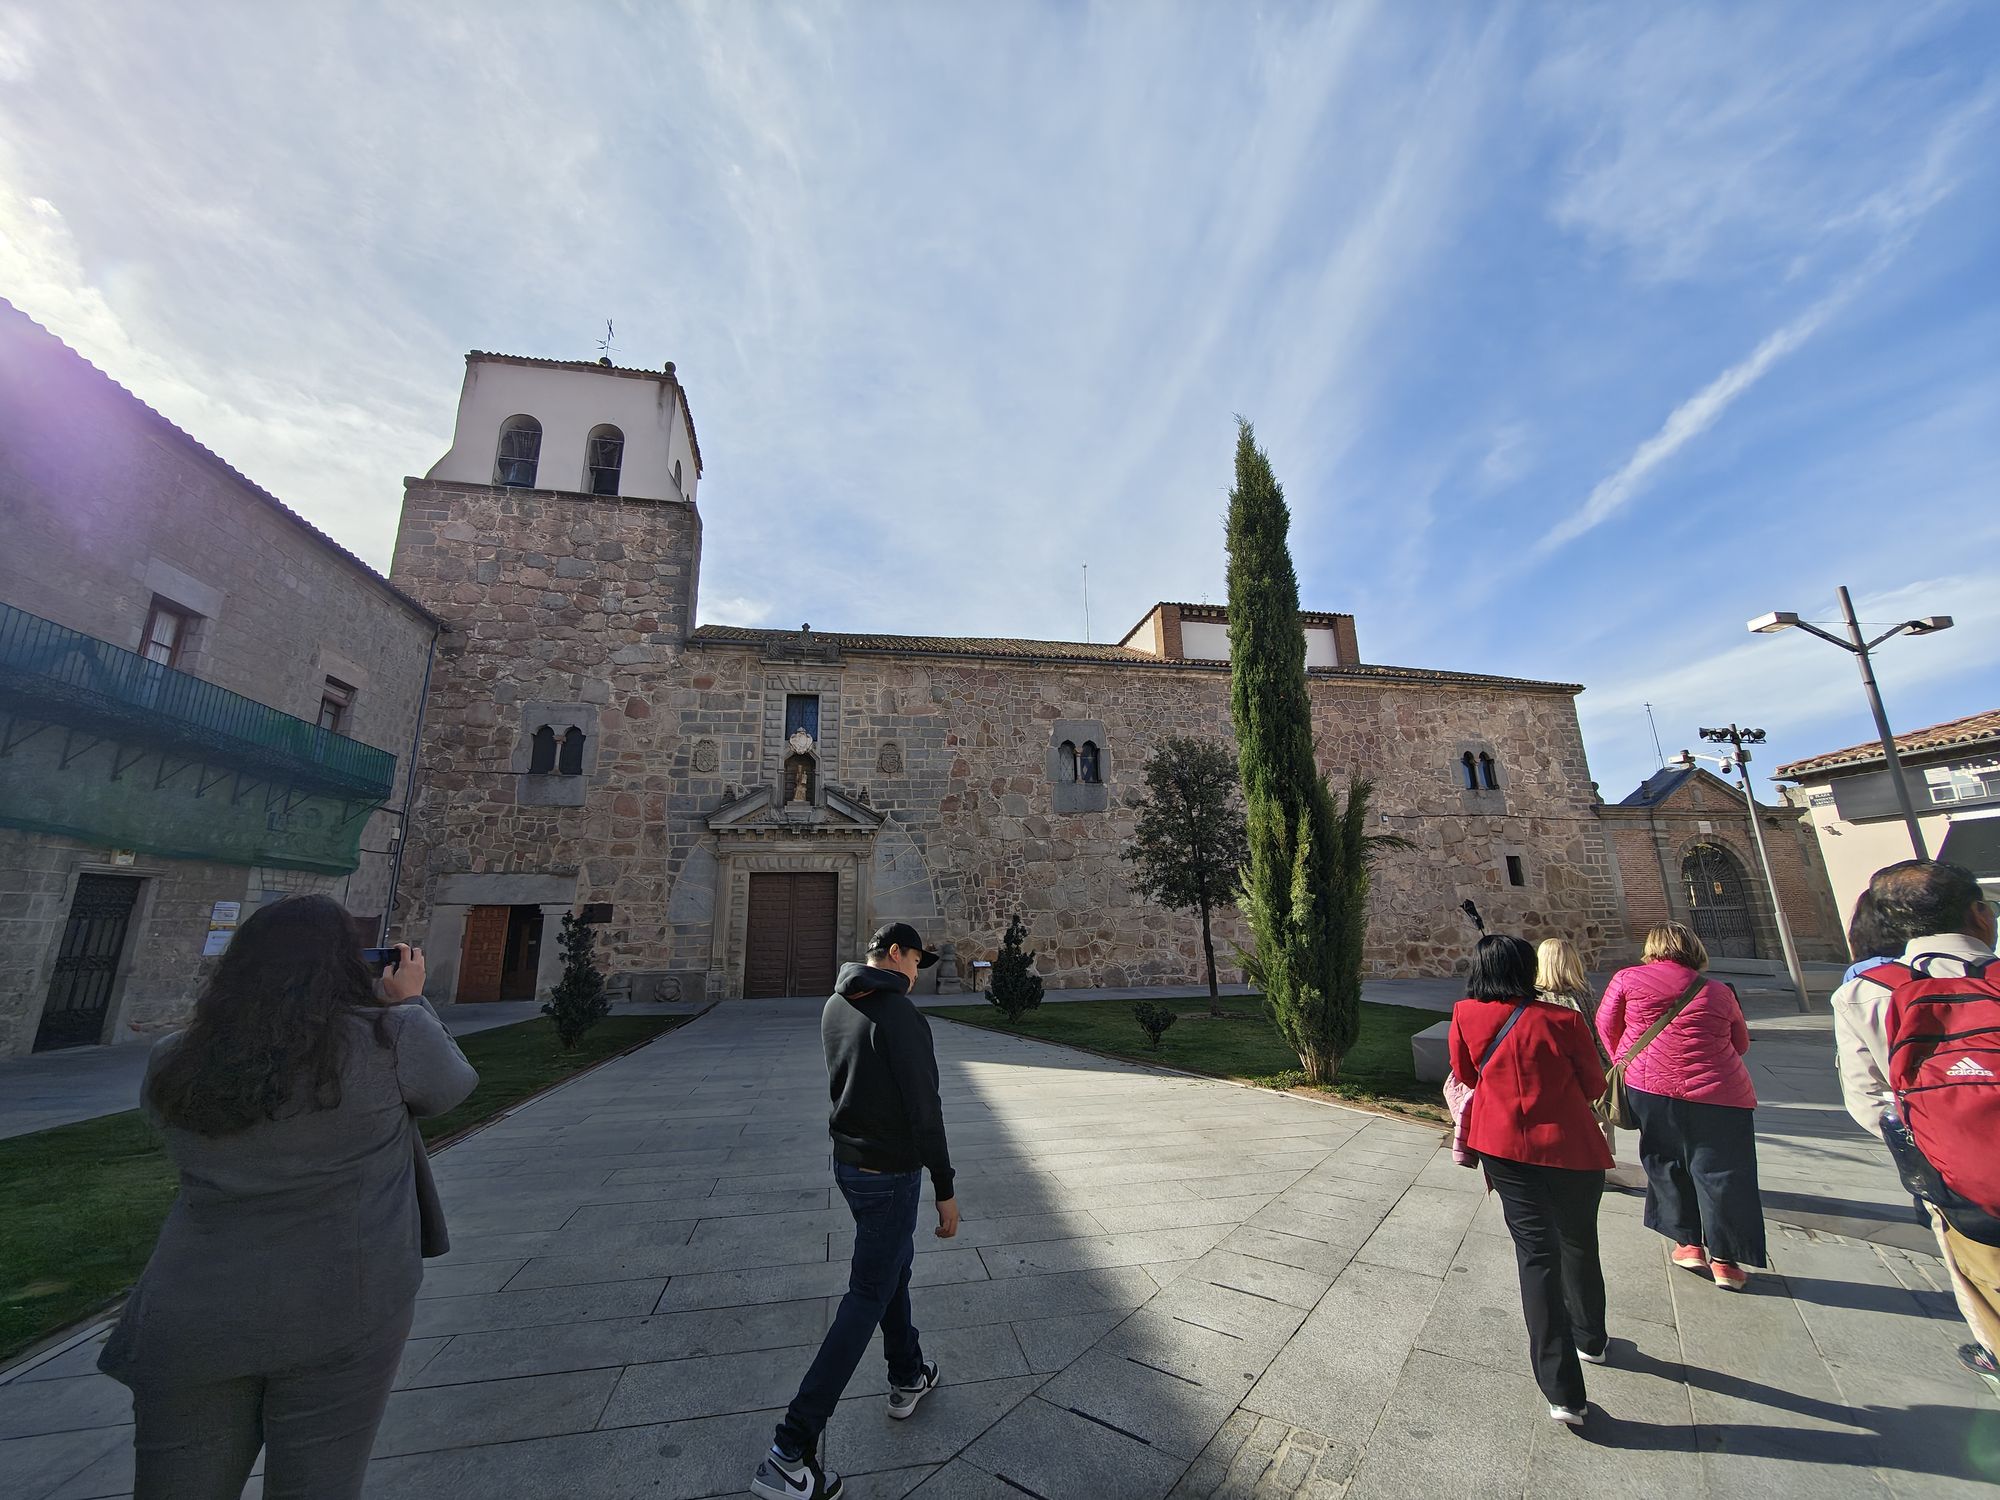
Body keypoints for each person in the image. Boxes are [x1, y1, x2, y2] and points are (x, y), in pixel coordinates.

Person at [98, 895, 477, 1500]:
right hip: (340, 1301)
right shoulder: (388, 1039)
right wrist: (406, 1000)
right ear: (344, 964)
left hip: (190, 1308)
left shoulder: (177, 1057)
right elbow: (453, 1085)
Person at [752, 922, 961, 1500]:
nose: (919, 972)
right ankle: (789, 1452)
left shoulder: (835, 1007)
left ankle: (907, 1373)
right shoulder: (901, 1018)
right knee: (867, 1293)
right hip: (890, 1174)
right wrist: (944, 1187)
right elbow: (926, 1112)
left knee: (891, 1267)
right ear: (895, 954)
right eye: (917, 960)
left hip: (849, 1167)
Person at [1831, 860, 2000, 1382]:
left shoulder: (1866, 991)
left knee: (1983, 1282)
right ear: (1979, 915)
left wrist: (1929, 1140)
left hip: (1960, 1178)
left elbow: (1867, 1099)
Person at [1450, 934, 1611, 1427]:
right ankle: (1592, 1339)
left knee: (1537, 1257)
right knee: (1580, 1242)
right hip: (1572, 1150)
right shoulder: (1564, 1021)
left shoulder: (1465, 1014)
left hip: (1504, 1150)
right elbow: (1595, 1084)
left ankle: (1563, 1393)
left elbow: (1464, 1073)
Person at [1598, 921, 1763, 1290]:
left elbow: (1605, 1024)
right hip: (1720, 1091)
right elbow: (1741, 1043)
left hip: (1649, 1086)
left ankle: (1687, 1244)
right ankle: (1727, 1262)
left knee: (1663, 1160)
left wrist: (1625, 1063)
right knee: (1723, 1172)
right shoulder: (1719, 991)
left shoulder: (1627, 978)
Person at [1536, 937, 1617, 1163]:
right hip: (1588, 1065)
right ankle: (1598, 1160)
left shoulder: (1535, 997)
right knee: (1597, 1119)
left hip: (1554, 1069)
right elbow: (1599, 1031)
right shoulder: (1585, 993)